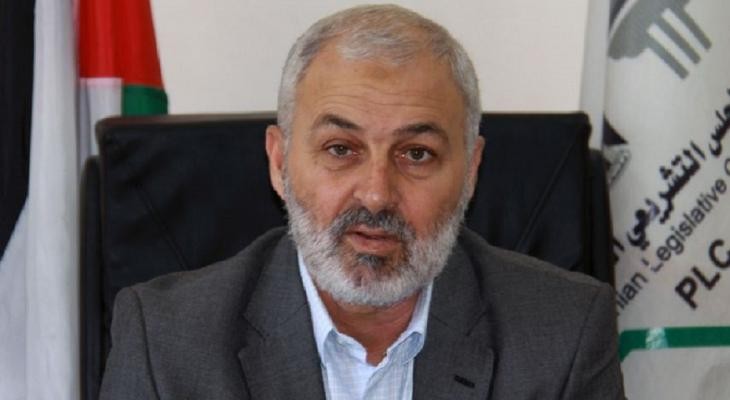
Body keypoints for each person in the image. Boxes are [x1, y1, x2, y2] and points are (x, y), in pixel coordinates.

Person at [99, 4, 625, 399]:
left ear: (470, 171)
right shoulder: (167, 341)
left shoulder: (563, 335)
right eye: (340, 149)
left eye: (416, 154)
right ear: (279, 163)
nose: (376, 194)